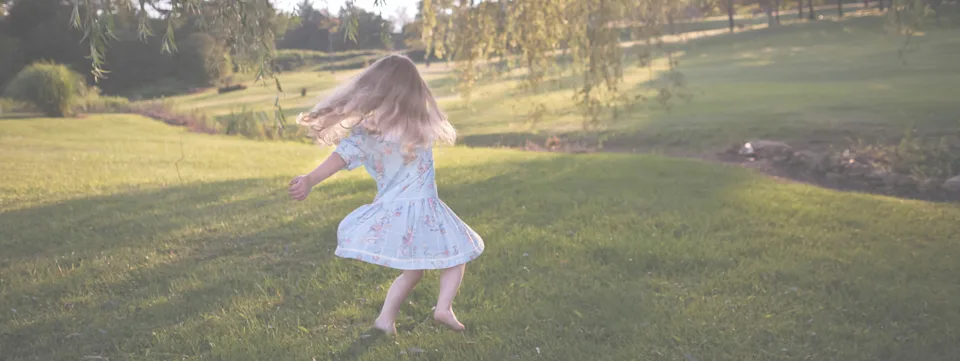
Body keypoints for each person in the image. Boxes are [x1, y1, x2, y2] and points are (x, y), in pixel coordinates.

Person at [288, 54, 484, 335]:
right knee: (457, 253)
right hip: (426, 209)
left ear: (373, 92)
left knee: (413, 271)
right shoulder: (421, 125)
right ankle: (443, 307)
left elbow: (339, 158)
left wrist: (310, 180)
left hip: (395, 210)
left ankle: (385, 321)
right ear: (415, 91)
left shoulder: (368, 133)